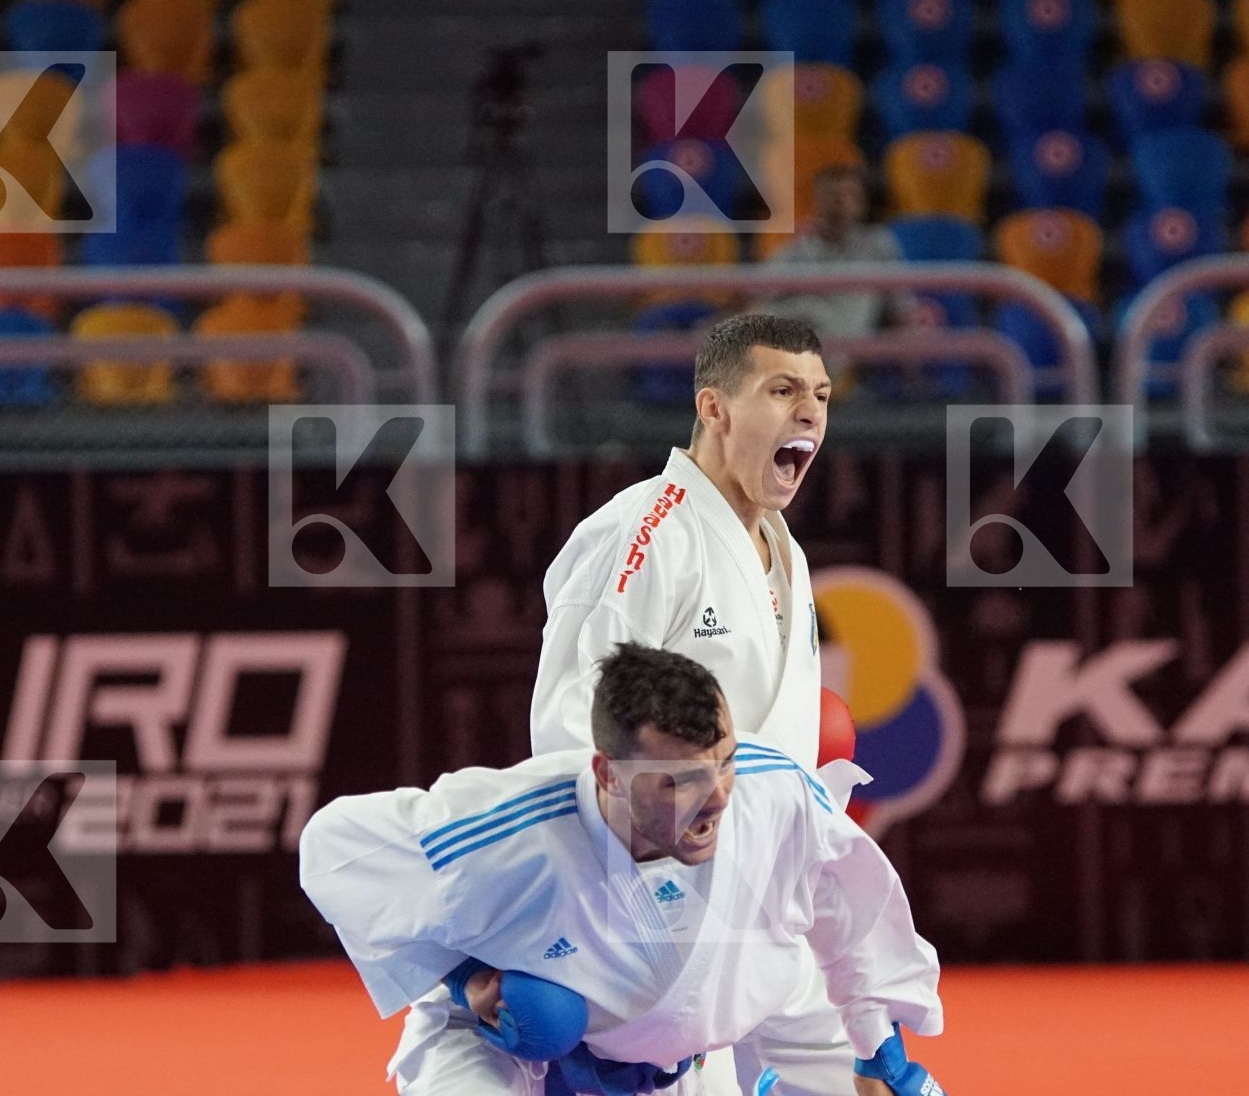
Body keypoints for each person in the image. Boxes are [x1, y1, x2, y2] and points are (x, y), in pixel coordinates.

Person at [300, 643, 948, 1096]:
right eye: (678, 782)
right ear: (606, 773)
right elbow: (333, 849)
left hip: (675, 1063)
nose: (717, 796)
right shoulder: (509, 825)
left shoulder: (770, 788)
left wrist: (876, 1050)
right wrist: (464, 976)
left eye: (722, 762)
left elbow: (851, 908)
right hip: (505, 1049)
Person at [530, 314, 863, 1095]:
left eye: (819, 395)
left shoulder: (783, 543)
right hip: (661, 908)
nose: (810, 412)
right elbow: (567, 723)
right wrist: (620, 921)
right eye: (781, 391)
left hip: (765, 901)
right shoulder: (646, 531)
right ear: (713, 409)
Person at [758, 165, 940, 336]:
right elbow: (763, 295)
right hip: (801, 346)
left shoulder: (877, 244)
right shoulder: (798, 246)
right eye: (831, 196)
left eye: (849, 196)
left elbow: (901, 307)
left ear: (862, 203)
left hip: (851, 349)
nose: (840, 204)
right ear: (816, 201)